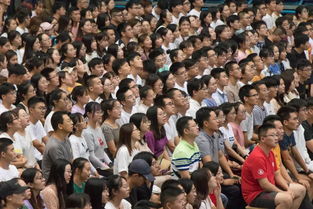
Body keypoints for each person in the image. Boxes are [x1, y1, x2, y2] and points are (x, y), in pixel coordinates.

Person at [241, 123, 306, 208]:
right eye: (272, 135)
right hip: (256, 194)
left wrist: (287, 189)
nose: (276, 138)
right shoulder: (257, 157)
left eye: (276, 135)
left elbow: (277, 175)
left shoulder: (270, 152)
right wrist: (281, 192)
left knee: (301, 190)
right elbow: (264, 184)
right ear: (263, 139)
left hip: (269, 188)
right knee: (286, 198)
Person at [42, 111, 73, 180]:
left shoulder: (66, 138)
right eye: (68, 121)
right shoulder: (54, 146)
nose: (72, 123)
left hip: (66, 175)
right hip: (54, 181)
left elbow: (71, 160)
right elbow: (62, 169)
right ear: (60, 126)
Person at [83, 102, 112, 174]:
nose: (100, 115)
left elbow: (102, 150)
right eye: (97, 112)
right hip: (94, 167)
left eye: (100, 112)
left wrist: (110, 164)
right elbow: (91, 156)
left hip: (103, 164)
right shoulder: (87, 132)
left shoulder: (99, 128)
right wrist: (107, 168)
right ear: (88, 114)